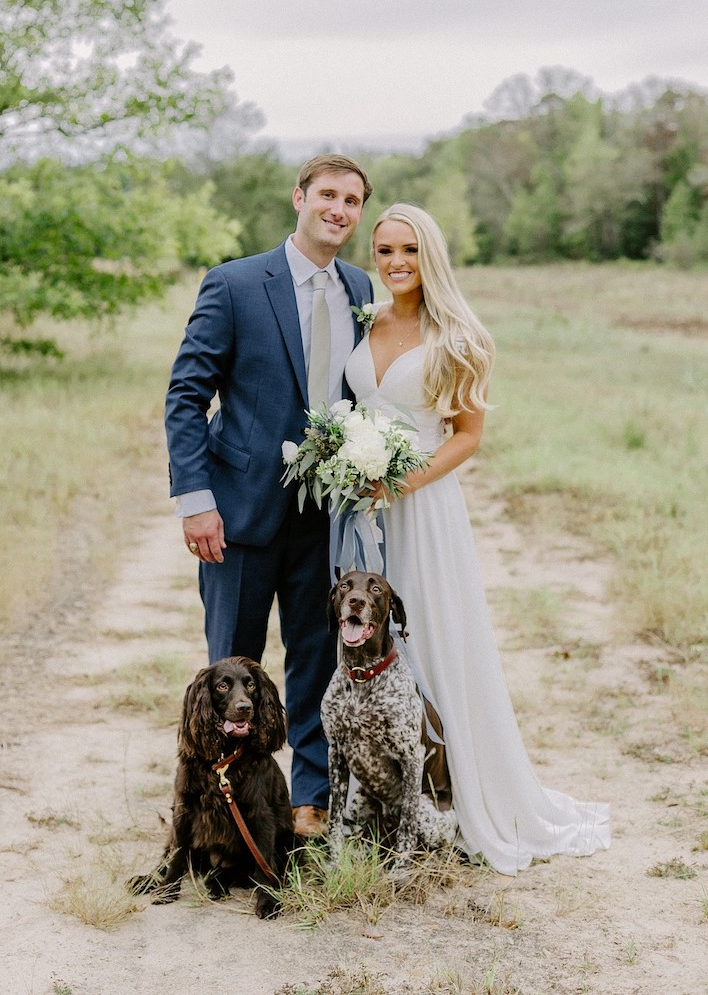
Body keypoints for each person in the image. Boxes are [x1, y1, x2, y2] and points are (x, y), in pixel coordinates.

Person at [344, 201, 611, 874]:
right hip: (359, 514)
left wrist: (399, 484)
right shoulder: (365, 320)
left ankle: (462, 794)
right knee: (369, 649)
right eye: (384, 252)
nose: (396, 262)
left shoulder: (460, 336)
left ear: (430, 254)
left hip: (424, 511)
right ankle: (384, 799)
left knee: (434, 640)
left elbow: (467, 437)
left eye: (409, 250)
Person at [165, 154, 374, 838]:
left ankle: (306, 802)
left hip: (325, 520)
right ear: (300, 197)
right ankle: (213, 810)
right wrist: (196, 497)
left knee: (317, 660)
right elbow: (187, 395)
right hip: (238, 516)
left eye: (352, 200)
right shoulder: (234, 284)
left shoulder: (360, 288)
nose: (338, 209)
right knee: (229, 671)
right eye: (327, 195)